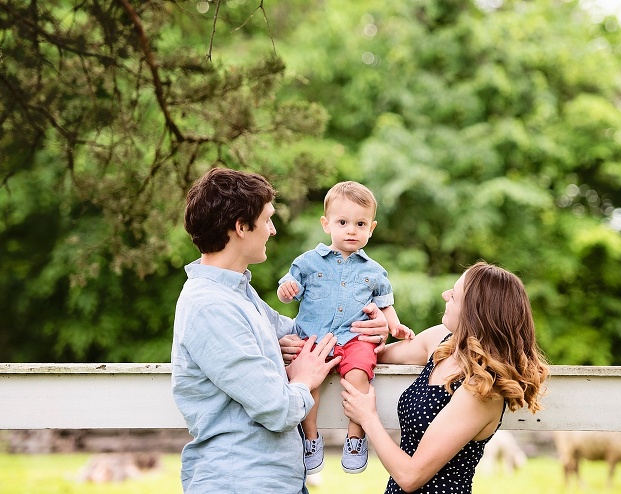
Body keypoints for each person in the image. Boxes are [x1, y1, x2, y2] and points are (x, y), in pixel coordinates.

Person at [171, 167, 389, 494]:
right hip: (240, 482)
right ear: (241, 227)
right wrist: (303, 377)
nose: (272, 231)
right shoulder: (210, 307)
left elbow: (306, 332)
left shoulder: (238, 294)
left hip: (273, 481)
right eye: (267, 220)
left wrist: (371, 329)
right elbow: (277, 408)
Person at [340, 262, 550, 493]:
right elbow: (377, 355)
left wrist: (367, 417)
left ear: (475, 313)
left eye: (454, 295)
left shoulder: (481, 390)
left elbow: (410, 477)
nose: (444, 295)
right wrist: (378, 332)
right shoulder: (443, 341)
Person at [277, 181, 414, 475]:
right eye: (343, 222)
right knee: (308, 381)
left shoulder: (374, 271)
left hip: (354, 339)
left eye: (360, 223)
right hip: (315, 338)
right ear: (326, 224)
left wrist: (396, 326)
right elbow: (288, 287)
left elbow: (385, 304)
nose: (351, 230)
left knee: (358, 376)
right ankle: (310, 437)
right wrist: (286, 291)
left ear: (371, 228)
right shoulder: (308, 262)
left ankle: (356, 436)